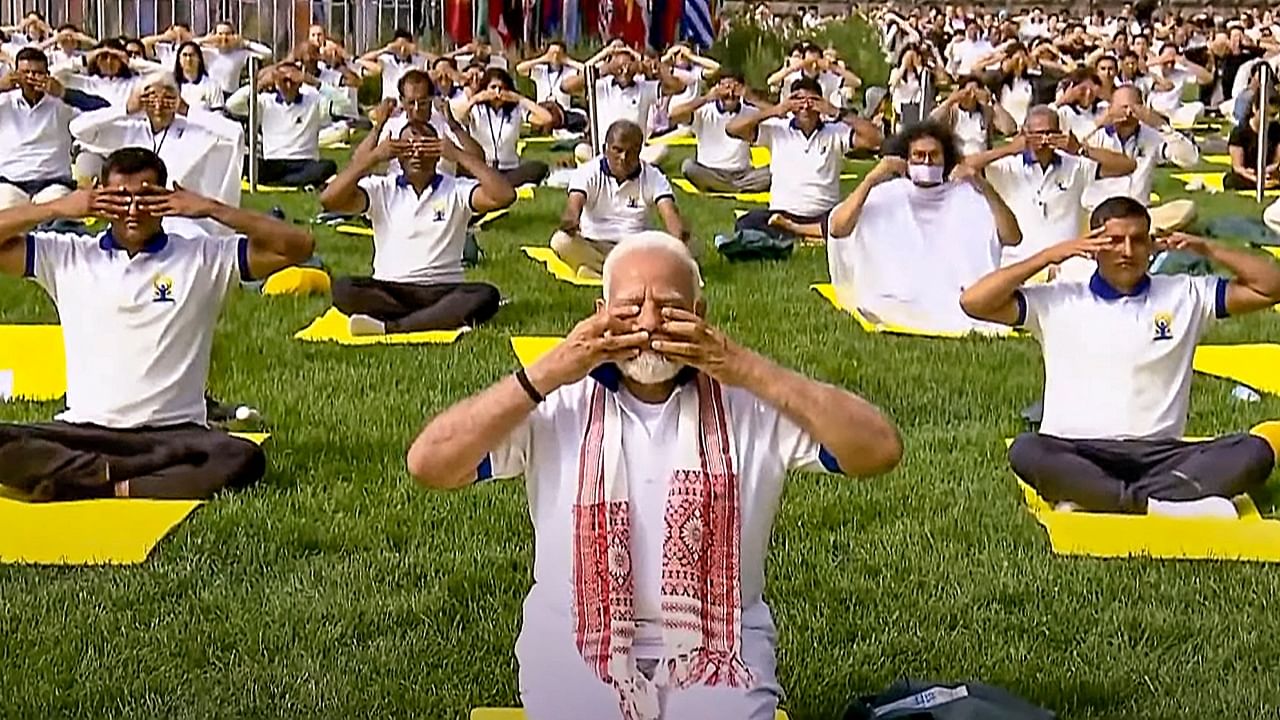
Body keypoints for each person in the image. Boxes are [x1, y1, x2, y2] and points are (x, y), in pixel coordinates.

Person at [404, 232, 902, 720]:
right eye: (630, 307)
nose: (648, 324)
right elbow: (430, 463)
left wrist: (745, 367)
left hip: (720, 642)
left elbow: (879, 450)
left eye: (668, 308)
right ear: (600, 312)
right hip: (575, 637)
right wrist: (551, 368)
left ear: (700, 315)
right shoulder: (557, 398)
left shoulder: (749, 401)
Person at [0, 147, 314, 501]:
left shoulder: (204, 257)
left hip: (174, 434)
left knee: (242, 457)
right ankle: (120, 475)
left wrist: (212, 209)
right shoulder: (66, 255)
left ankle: (102, 482)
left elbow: (299, 248)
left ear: (166, 198)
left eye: (146, 198)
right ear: (98, 199)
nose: (133, 210)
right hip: (85, 430)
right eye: (120, 199)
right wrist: (56, 208)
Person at [960, 196, 1280, 518]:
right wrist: (1047, 256)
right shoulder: (1058, 300)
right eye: (1114, 241)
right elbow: (974, 302)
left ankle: (1102, 497)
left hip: (1161, 454)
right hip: (1078, 449)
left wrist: (1207, 249)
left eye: (1138, 240)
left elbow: (1271, 287)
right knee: (1027, 450)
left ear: (1151, 245)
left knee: (1254, 450)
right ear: (1093, 245)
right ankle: (1162, 503)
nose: (1127, 251)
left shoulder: (1188, 294)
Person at [319, 121, 515, 336]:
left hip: (442, 289)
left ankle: (393, 327)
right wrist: (374, 157)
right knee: (344, 288)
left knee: (486, 295)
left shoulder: (457, 189)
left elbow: (505, 195)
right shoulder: (381, 188)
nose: (417, 155)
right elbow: (329, 200)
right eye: (408, 148)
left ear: (437, 154)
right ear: (398, 155)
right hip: (392, 290)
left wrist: (458, 155)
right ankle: (433, 318)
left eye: (425, 148)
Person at [826, 121, 1021, 333]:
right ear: (906, 159)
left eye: (933, 155)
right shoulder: (888, 193)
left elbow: (1012, 237)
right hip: (896, 295)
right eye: (918, 155)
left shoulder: (966, 195)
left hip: (957, 294)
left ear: (946, 159)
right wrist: (871, 179)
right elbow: (838, 229)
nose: (926, 162)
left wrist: (982, 184)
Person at [965, 105, 1135, 273]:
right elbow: (962, 167)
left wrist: (1081, 149)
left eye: (1050, 133)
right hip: (1018, 264)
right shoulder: (1007, 167)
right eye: (1038, 134)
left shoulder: (1076, 165)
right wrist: (1009, 149)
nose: (1045, 140)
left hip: (1066, 266)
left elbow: (1127, 166)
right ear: (1025, 133)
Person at [69, 74, 243, 237]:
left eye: (167, 99)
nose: (158, 106)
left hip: (179, 219)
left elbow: (236, 133)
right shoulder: (131, 129)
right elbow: (77, 128)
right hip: (133, 215)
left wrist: (187, 110)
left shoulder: (192, 128)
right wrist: (125, 108)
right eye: (151, 99)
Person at [726, 78, 881, 243]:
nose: (806, 107)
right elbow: (732, 129)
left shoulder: (835, 132)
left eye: (812, 101)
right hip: (783, 212)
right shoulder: (777, 129)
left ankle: (797, 232)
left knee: (855, 220)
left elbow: (876, 139)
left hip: (823, 213)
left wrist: (837, 112)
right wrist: (775, 110)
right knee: (746, 223)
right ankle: (811, 234)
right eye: (799, 101)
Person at [550, 120, 685, 278]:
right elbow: (574, 205)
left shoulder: (653, 176)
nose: (623, 157)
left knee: (674, 251)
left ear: (640, 151)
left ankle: (602, 273)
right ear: (605, 149)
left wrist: (678, 239)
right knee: (560, 241)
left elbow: (669, 212)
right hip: (594, 244)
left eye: (631, 151)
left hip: (634, 249)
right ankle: (623, 274)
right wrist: (571, 220)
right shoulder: (588, 172)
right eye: (617, 150)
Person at [561, 43, 687, 165]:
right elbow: (566, 87)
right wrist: (607, 68)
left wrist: (654, 67)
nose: (624, 71)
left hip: (634, 152)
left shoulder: (644, 88)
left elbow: (678, 87)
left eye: (628, 66)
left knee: (661, 150)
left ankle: (628, 163)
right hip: (603, 152)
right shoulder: (599, 85)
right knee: (581, 150)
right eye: (620, 67)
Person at [1080, 85, 1199, 210]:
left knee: (1186, 209)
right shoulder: (1096, 135)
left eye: (1133, 108)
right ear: (1110, 108)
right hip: (1099, 208)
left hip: (1137, 211)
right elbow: (1071, 148)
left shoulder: (1152, 136)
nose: (1128, 113)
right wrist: (1099, 123)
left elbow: (1190, 159)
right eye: (1123, 107)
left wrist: (1161, 126)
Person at [225, 61, 337, 188]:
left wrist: (313, 81)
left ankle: (281, 182)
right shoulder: (265, 102)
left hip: (305, 162)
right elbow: (231, 105)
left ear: (300, 83)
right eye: (283, 81)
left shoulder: (314, 101)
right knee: (244, 161)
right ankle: (295, 182)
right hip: (273, 163)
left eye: (292, 81)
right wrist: (259, 84)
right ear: (276, 83)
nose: (288, 85)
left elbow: (344, 106)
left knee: (328, 166)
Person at [0, 48, 80, 210]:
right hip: (10, 181)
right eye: (25, 73)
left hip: (53, 181)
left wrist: (64, 93)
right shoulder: (4, 101)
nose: (30, 78)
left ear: (47, 74)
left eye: (37, 73)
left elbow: (103, 109)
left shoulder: (61, 103)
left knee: (55, 216)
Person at [669, 72, 771, 194]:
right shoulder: (704, 111)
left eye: (735, 88)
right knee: (688, 166)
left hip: (742, 173)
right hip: (711, 171)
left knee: (774, 171)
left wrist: (752, 98)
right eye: (726, 87)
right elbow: (673, 115)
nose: (730, 93)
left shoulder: (750, 112)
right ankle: (734, 188)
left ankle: (728, 187)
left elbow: (782, 115)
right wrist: (706, 98)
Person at [457, 67, 551, 187]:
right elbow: (458, 117)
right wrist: (475, 98)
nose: (497, 93)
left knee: (538, 167)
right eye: (493, 87)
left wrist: (520, 98)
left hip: (510, 169)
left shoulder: (516, 110)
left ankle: (499, 185)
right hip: (483, 169)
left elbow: (547, 118)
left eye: (502, 88)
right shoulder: (476, 109)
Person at [929, 75, 1016, 156]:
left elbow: (1010, 128)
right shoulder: (952, 112)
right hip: (959, 161)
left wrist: (991, 101)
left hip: (982, 160)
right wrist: (950, 100)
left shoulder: (986, 112)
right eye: (968, 91)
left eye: (976, 91)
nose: (972, 95)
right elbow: (931, 120)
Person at [516, 40, 584, 133]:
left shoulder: (570, 72)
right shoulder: (541, 71)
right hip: (541, 113)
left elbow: (586, 71)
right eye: (552, 53)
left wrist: (567, 60)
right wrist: (543, 58)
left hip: (563, 116)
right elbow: (520, 69)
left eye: (558, 54)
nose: (555, 57)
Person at [196, 21, 272, 95]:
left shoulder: (241, 54)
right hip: (212, 95)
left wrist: (246, 43)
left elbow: (268, 53)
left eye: (227, 34)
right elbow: (187, 46)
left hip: (232, 95)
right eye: (220, 34)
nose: (224, 38)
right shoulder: (208, 53)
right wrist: (205, 40)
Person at [1225, 90, 1280, 190]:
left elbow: (1277, 162)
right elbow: (1238, 167)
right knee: (1231, 180)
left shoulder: (1277, 130)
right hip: (1247, 175)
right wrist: (1255, 178)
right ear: (1255, 108)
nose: (1269, 119)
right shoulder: (1240, 132)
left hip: (1269, 175)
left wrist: (1270, 171)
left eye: (1273, 115)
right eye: (1267, 114)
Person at [359, 29, 429, 102]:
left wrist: (418, 51)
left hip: (411, 106)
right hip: (389, 106)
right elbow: (361, 60)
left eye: (406, 47)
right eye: (399, 47)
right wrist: (385, 49)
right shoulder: (386, 60)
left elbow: (438, 62)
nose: (402, 50)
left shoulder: (419, 61)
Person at [172, 40, 224, 110]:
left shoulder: (212, 86)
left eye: (192, 55)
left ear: (199, 59)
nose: (188, 59)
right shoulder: (172, 85)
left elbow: (218, 114)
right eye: (185, 55)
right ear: (179, 59)